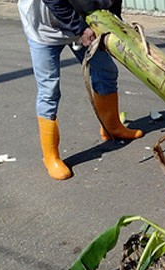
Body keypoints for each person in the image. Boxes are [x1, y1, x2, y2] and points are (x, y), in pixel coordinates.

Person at [18, 0, 143, 180]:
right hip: (43, 28)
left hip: (83, 23)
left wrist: (113, 24)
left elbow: (113, 3)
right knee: (49, 89)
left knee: (106, 71)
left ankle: (112, 127)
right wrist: (81, 29)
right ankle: (50, 157)